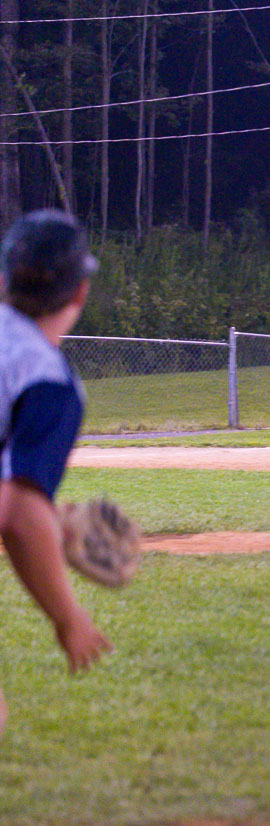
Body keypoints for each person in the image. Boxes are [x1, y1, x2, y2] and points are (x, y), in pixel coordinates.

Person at [0, 209, 112, 735]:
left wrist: (51, 517)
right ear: (79, 294)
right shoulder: (46, 379)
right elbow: (18, 513)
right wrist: (69, 617)